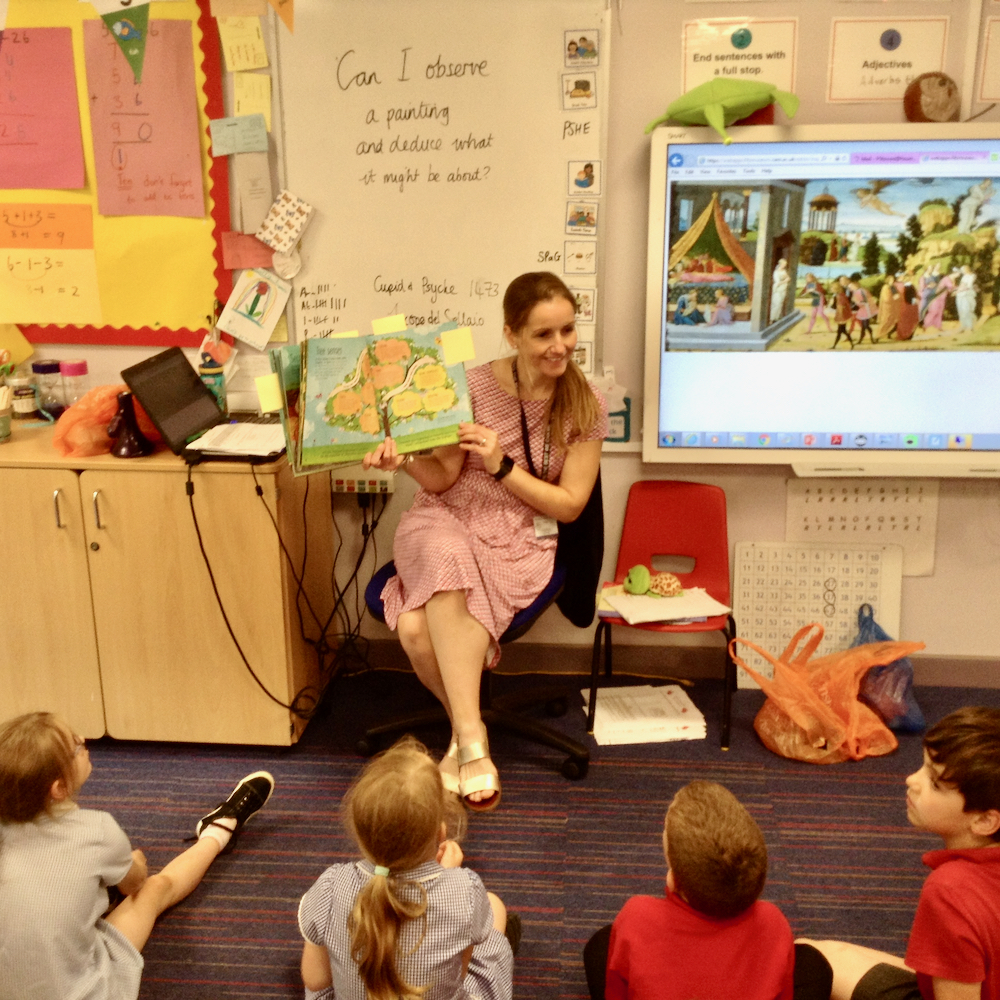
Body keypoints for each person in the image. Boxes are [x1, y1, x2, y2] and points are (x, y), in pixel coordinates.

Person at [362, 272, 606, 811]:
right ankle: (474, 741)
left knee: (413, 627)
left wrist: (501, 467)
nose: (560, 345)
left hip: (522, 535)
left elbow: (569, 506)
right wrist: (406, 462)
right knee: (447, 553)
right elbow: (444, 478)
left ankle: (459, 740)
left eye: (567, 329)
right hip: (443, 518)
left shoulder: (585, 403)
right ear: (512, 333)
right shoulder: (467, 385)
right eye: (544, 334)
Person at [0, 711, 274, 1000]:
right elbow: (133, 885)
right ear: (59, 788)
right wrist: (135, 864)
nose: (83, 739)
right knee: (155, 888)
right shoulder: (98, 830)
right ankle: (218, 831)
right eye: (75, 745)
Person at [799, 706, 1000, 1000]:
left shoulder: (951, 892)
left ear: (985, 820)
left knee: (805, 961)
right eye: (923, 765)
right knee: (819, 953)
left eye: (935, 783)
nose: (911, 780)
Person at [298, 737, 518, 1000]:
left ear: (358, 831)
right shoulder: (465, 890)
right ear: (441, 832)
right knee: (494, 907)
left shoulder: (331, 885)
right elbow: (457, 976)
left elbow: (315, 979)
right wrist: (448, 877)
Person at [582, 780, 833, 1000]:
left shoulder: (636, 917)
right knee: (813, 963)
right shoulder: (773, 923)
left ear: (675, 879)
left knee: (601, 946)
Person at [832, 276, 855, 349]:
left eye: (833, 288)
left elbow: (841, 307)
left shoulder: (840, 296)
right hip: (842, 316)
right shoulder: (840, 295)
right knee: (842, 331)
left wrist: (840, 317)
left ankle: (835, 346)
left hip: (842, 317)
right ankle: (835, 346)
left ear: (836, 289)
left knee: (841, 331)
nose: (832, 290)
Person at [771, 258, 791, 323]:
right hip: (778, 289)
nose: (784, 265)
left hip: (783, 289)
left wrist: (786, 279)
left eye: (785, 264)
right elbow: (778, 282)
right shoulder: (776, 272)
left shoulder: (784, 271)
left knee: (780, 303)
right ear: (780, 264)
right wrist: (785, 280)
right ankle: (772, 318)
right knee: (777, 303)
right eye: (783, 264)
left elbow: (788, 278)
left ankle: (777, 317)